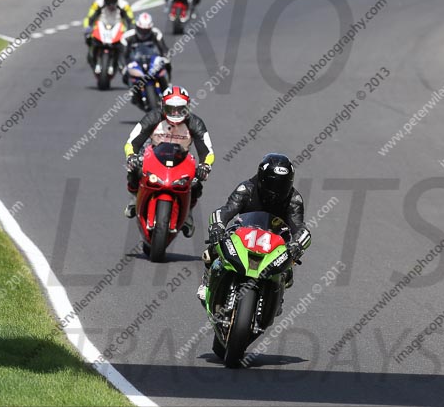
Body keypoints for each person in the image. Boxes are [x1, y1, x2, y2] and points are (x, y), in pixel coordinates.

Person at [197, 153, 311, 301]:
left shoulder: (294, 199)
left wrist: (297, 245)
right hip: (243, 234)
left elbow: (300, 228)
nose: (276, 189)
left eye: (283, 184)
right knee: (212, 250)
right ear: (262, 178)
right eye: (272, 183)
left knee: (288, 274)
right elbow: (226, 211)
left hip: (274, 242)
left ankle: (276, 297)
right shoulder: (246, 189)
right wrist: (217, 226)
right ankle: (207, 283)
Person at [123, 85, 214, 237]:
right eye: (172, 109)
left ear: (188, 107)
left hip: (182, 160)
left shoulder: (196, 123)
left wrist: (205, 165)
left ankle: (188, 213)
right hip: (154, 157)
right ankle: (134, 198)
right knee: (134, 169)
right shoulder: (152, 117)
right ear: (163, 106)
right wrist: (131, 155)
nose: (176, 114)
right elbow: (132, 141)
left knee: (196, 182)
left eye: (180, 109)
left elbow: (207, 150)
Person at [121, 12, 172, 102]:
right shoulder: (127, 37)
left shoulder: (156, 33)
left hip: (152, 59)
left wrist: (165, 57)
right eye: (141, 30)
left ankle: (167, 84)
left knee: (166, 64)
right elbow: (122, 54)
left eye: (146, 30)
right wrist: (123, 66)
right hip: (135, 61)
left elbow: (163, 48)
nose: (144, 33)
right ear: (137, 27)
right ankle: (132, 90)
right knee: (125, 73)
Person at [83, 0, 134, 67]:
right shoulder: (97, 3)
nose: (110, 3)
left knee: (127, 45)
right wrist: (87, 27)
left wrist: (130, 31)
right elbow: (89, 17)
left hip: (118, 27)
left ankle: (121, 64)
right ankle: (92, 54)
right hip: (101, 25)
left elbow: (131, 20)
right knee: (89, 37)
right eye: (108, 0)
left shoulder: (124, 5)